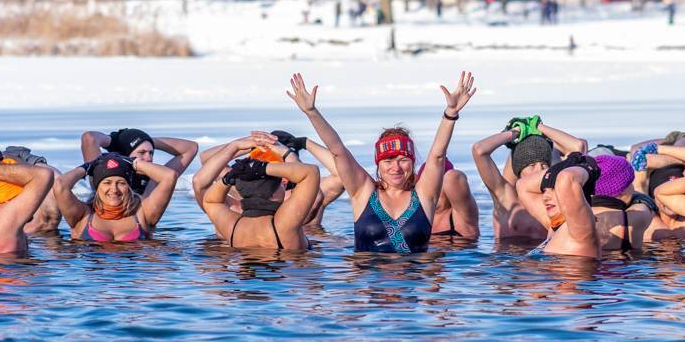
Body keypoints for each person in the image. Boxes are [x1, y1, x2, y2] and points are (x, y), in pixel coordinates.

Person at [287, 71, 475, 253]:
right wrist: (311, 112)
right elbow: (338, 151)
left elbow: (437, 156)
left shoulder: (425, 195)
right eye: (388, 161)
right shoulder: (363, 192)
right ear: (378, 165)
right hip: (369, 282)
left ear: (412, 162)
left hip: (413, 283)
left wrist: (450, 114)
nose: (396, 167)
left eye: (403, 160)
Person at [193, 130, 344, 229]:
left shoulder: (235, 197)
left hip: (241, 258)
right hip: (299, 265)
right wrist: (302, 144)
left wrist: (240, 146)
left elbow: (205, 165)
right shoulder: (310, 194)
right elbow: (206, 159)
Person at [199, 150, 320, 251]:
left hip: (243, 278)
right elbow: (311, 172)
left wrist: (229, 178)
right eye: (280, 184)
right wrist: (263, 168)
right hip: (286, 277)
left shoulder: (232, 226)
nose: (283, 185)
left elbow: (211, 201)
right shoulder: (285, 222)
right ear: (273, 194)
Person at [55, 151, 179, 242]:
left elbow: (169, 176)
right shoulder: (82, 215)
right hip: (95, 277)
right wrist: (86, 167)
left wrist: (133, 162)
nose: (114, 189)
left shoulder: (142, 213)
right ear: (97, 188)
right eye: (107, 183)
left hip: (135, 276)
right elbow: (60, 185)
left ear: (129, 187)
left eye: (121, 183)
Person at [515, 153, 602, 258]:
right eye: (544, 191)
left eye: (554, 189)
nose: (545, 197)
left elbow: (567, 178)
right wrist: (557, 170)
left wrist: (588, 165)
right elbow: (522, 185)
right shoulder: (554, 226)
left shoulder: (580, 229)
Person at [472, 128, 547, 241]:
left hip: (549, 258)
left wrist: (542, 130)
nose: (539, 170)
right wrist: (516, 132)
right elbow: (479, 150)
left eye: (544, 165)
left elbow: (579, 147)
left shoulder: (554, 197)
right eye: (532, 165)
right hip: (508, 258)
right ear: (519, 170)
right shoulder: (506, 197)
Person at [630, 139, 685, 242]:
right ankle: (672, 139)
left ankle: (678, 138)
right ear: (654, 196)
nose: (669, 201)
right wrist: (680, 161)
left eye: (678, 194)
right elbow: (637, 157)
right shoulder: (645, 215)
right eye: (665, 195)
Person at [79, 128, 198, 196]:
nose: (149, 158)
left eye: (151, 153)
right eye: (142, 152)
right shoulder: (101, 178)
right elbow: (89, 138)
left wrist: (144, 140)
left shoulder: (153, 182)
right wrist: (117, 142)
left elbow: (190, 148)